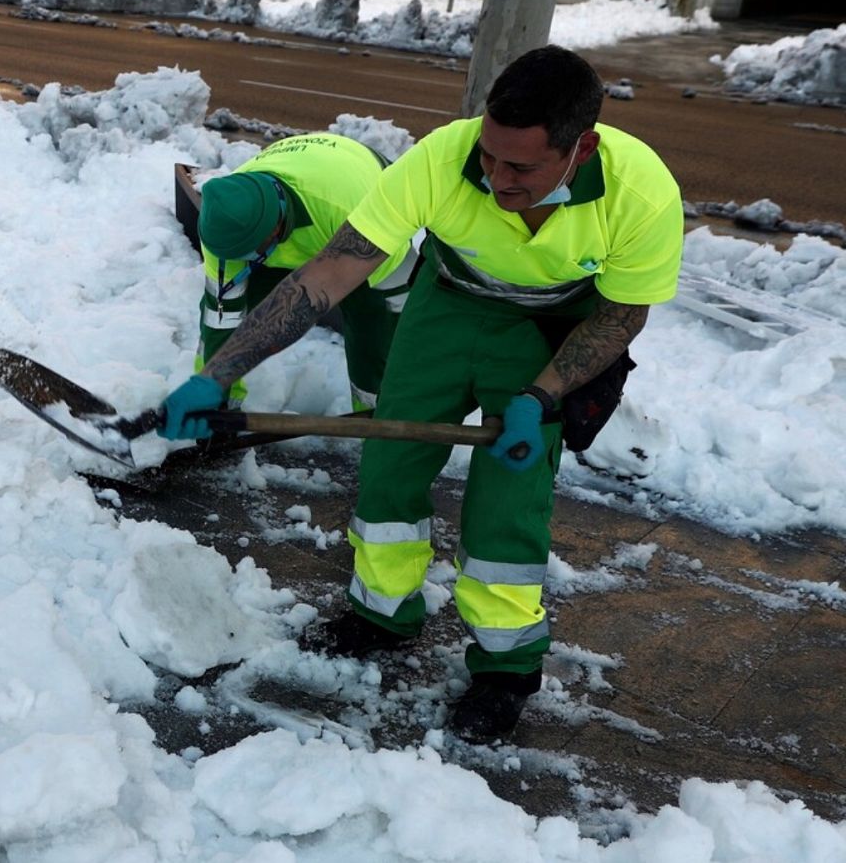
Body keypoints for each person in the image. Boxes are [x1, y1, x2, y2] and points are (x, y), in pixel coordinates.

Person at [159, 45, 684, 740]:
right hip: (450, 300)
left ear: (580, 148)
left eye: (520, 166)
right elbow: (330, 272)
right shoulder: (444, 159)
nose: (495, 177)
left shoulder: (642, 196)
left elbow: (620, 316)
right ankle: (380, 613)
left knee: (509, 501)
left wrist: (540, 396)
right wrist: (216, 373)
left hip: (550, 327)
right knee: (389, 461)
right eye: (490, 157)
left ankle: (505, 668)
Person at [189, 133, 418, 413]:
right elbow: (221, 317)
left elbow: (395, 300)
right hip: (302, 180)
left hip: (351, 195)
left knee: (371, 320)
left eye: (251, 251)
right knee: (240, 307)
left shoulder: (349, 213)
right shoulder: (222, 224)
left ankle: (373, 409)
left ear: (274, 230)